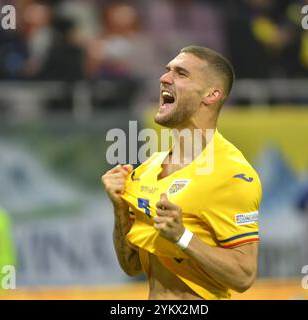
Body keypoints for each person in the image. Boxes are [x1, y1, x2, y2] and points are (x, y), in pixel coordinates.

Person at [102, 46, 262, 300]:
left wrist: (182, 236)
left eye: (181, 73)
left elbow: (244, 276)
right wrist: (120, 208)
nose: (164, 78)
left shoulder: (232, 174)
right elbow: (131, 267)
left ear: (211, 95)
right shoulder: (147, 170)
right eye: (167, 70)